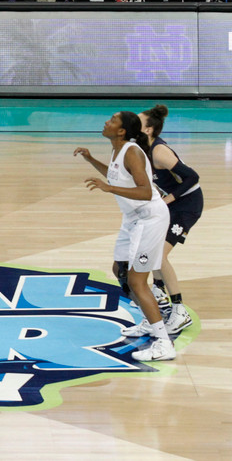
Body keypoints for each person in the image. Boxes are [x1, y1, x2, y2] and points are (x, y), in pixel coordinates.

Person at [73, 112, 175, 362]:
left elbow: (145, 191)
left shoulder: (132, 151)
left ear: (122, 131)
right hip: (133, 219)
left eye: (112, 120)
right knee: (119, 269)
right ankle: (149, 321)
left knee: (137, 281)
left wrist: (109, 188)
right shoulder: (118, 149)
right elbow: (115, 175)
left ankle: (164, 343)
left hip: (149, 218)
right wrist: (91, 159)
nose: (106, 122)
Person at [137, 104, 201, 335]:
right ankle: (159, 293)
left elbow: (192, 177)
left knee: (159, 255)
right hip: (171, 204)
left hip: (187, 205)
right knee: (150, 246)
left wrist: (167, 200)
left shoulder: (159, 151)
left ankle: (180, 311)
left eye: (137, 122)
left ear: (149, 130)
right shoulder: (141, 148)